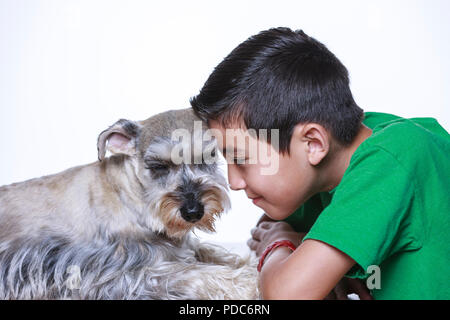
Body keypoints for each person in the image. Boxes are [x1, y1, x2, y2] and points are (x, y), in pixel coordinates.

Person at [190, 27, 450, 299]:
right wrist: (311, 258)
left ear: (313, 143)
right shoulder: (333, 158)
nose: (233, 182)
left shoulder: (392, 157)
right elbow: (266, 225)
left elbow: (286, 294)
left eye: (241, 159)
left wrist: (277, 243)